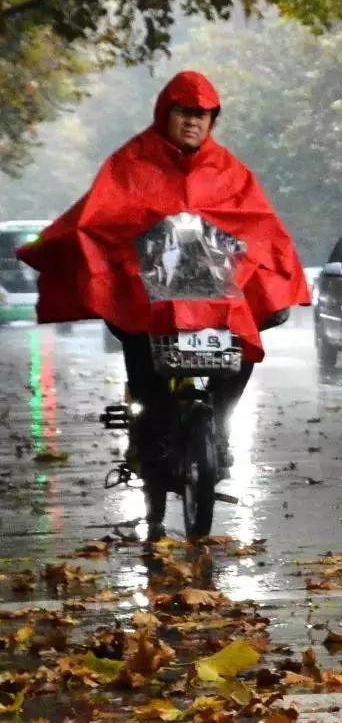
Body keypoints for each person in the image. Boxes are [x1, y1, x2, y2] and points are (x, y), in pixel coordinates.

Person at [23, 71, 309, 471]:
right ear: (165, 113)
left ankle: (219, 430)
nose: (193, 122)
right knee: (141, 351)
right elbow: (102, 218)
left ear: (212, 120)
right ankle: (149, 439)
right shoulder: (130, 161)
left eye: (203, 114)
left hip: (215, 296)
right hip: (146, 292)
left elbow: (258, 227)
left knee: (242, 349)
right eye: (184, 112)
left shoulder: (230, 170)